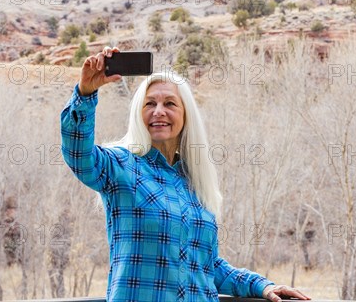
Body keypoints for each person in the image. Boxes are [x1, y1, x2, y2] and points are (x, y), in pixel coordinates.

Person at [61, 46, 312, 302]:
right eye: (150, 104)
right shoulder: (120, 165)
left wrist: (262, 286)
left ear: (185, 115)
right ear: (139, 112)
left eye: (169, 103)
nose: (159, 111)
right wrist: (85, 93)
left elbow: (207, 267)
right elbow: (79, 156)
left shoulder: (195, 183)